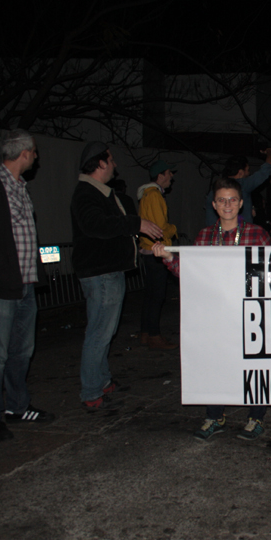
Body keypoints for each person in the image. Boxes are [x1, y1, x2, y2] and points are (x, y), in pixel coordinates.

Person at [153, 177, 271, 440]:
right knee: (213, 363)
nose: (227, 204)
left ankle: (256, 417)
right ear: (214, 205)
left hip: (248, 313)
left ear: (240, 203)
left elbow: (269, 275)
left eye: (232, 199)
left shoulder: (257, 234)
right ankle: (215, 416)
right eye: (221, 200)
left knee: (255, 364)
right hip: (215, 315)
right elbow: (195, 275)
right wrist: (170, 258)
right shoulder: (205, 236)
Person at [0, 129, 53, 441]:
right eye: (34, 151)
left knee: (22, 351)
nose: (36, 157)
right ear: (24, 152)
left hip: (25, 285)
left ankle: (17, 406)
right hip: (1, 288)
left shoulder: (21, 186)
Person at [71, 141, 163, 411]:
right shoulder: (86, 192)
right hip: (101, 273)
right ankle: (90, 391)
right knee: (100, 333)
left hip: (108, 272)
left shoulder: (100, 192)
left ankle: (102, 381)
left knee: (105, 330)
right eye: (110, 160)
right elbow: (95, 225)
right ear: (100, 163)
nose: (114, 165)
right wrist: (136, 223)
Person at [137, 159, 179, 351]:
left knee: (151, 295)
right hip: (157, 250)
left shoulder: (149, 195)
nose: (171, 176)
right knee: (157, 295)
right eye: (169, 172)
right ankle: (154, 335)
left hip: (149, 249)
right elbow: (160, 229)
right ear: (160, 175)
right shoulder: (154, 195)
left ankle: (146, 333)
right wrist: (174, 229)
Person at [204, 148, 271, 226]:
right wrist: (269, 152)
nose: (249, 173)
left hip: (216, 236)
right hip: (239, 236)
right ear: (241, 173)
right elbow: (268, 167)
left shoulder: (214, 191)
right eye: (247, 170)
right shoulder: (243, 185)